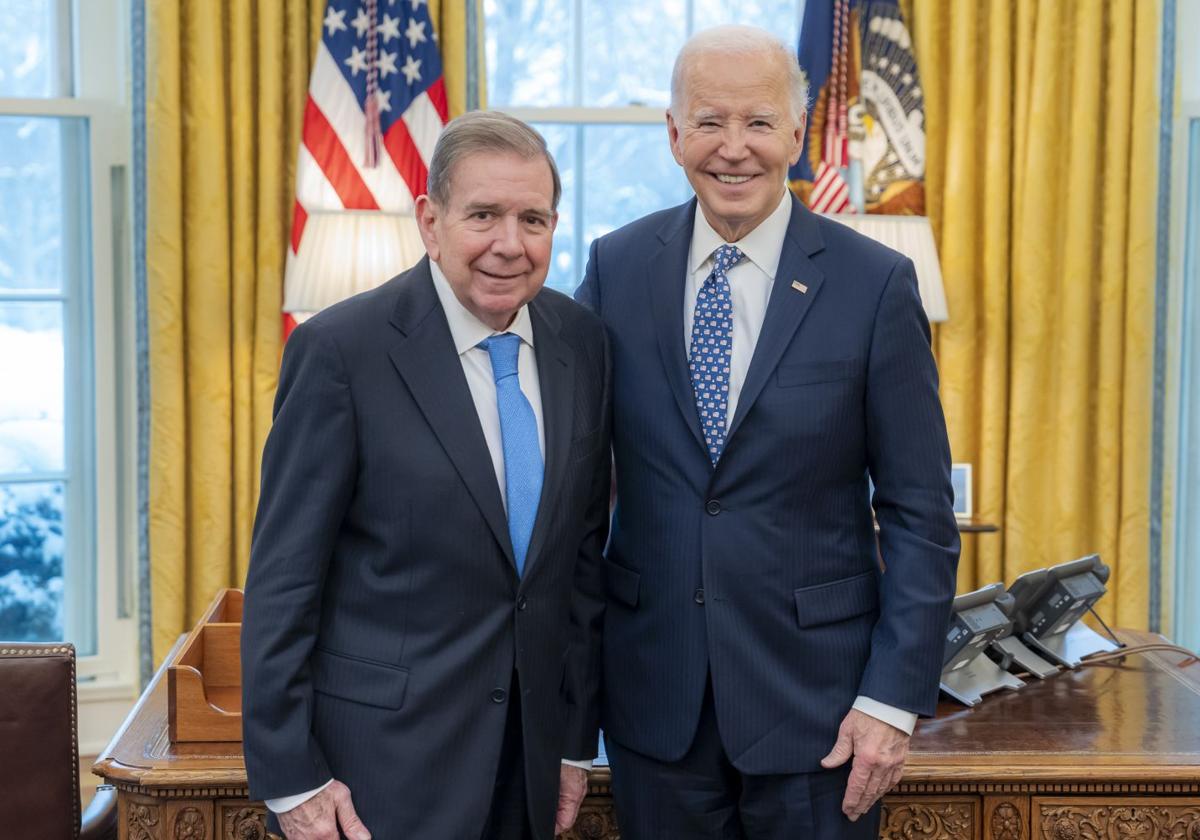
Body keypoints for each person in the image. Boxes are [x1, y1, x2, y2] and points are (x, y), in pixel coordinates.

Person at [575, 25, 960, 840]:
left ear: (795, 129)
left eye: (757, 122)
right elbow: (574, 497)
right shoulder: (615, 269)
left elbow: (921, 514)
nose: (734, 149)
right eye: (709, 122)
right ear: (674, 136)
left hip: (822, 714)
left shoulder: (876, 285)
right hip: (655, 708)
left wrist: (891, 700)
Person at [242, 110, 611, 840]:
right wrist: (290, 778)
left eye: (533, 219)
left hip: (531, 766)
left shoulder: (584, 342)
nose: (510, 244)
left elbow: (580, 565)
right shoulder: (341, 353)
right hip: (380, 772)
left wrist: (574, 741)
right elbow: (285, 581)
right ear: (430, 220)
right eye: (484, 215)